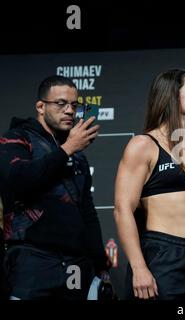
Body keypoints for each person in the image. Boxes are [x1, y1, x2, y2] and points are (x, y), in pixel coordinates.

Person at [0, 75, 108, 300]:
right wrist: (68, 148)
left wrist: (100, 266)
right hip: (32, 258)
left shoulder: (77, 155)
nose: (69, 110)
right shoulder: (17, 139)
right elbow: (19, 181)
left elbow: (86, 211)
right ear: (40, 106)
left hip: (75, 264)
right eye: (61, 103)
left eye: (74, 105)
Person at [114, 69, 185, 300]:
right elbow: (123, 210)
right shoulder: (144, 145)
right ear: (172, 95)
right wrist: (139, 267)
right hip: (164, 256)